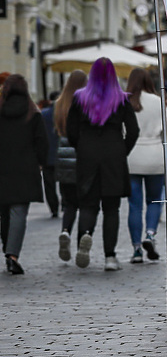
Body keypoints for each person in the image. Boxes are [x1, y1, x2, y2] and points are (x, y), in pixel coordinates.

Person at [67, 58, 139, 271]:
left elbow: (70, 131)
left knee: (88, 203)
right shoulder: (121, 99)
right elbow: (133, 131)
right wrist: (122, 150)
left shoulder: (80, 98)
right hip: (113, 153)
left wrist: (81, 147)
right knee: (111, 207)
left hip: (87, 152)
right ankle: (110, 256)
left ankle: (85, 236)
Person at [0, 75, 49, 274]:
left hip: (2, 168)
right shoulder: (33, 114)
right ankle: (12, 255)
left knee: (4, 212)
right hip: (25, 169)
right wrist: (40, 163)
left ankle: (6, 248)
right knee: (18, 213)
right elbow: (42, 144)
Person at [126, 68, 167, 263]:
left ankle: (136, 249)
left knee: (134, 205)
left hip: (131, 156)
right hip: (155, 157)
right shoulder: (158, 102)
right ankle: (150, 235)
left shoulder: (124, 102)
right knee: (154, 200)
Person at [53, 70, 87, 262]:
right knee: (85, 204)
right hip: (82, 154)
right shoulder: (85, 103)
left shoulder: (59, 103)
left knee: (69, 203)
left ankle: (66, 231)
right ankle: (82, 239)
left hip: (63, 154)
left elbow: (58, 129)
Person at [40, 91, 62, 218]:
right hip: (63, 153)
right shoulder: (65, 113)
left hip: (47, 154)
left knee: (49, 184)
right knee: (66, 180)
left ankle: (54, 207)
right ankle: (65, 203)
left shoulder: (44, 114)